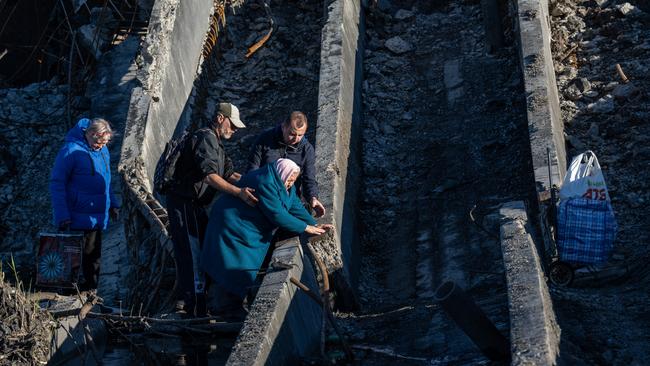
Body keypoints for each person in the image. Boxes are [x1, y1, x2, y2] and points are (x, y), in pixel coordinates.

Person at [201, 158, 331, 318]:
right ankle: (223, 307)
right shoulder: (265, 182)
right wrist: (306, 228)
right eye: (289, 180)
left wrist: (314, 224)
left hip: (247, 230)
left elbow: (294, 205)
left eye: (293, 181)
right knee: (230, 267)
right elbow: (278, 215)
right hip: (232, 228)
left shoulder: (282, 182)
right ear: (283, 173)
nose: (290, 183)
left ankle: (233, 305)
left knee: (244, 268)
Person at [165, 102, 258, 317]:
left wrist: (256, 185)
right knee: (192, 252)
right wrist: (238, 193)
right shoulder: (204, 138)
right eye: (232, 125)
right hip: (184, 203)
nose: (234, 130)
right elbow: (209, 176)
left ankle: (201, 302)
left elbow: (229, 174)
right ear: (219, 118)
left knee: (204, 249)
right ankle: (194, 307)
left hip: (196, 205)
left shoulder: (217, 144)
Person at [50, 117, 120, 290]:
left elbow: (106, 180)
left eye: (105, 143)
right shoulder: (70, 151)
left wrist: (113, 203)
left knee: (93, 258)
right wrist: (62, 214)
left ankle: (91, 293)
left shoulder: (103, 151)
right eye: (99, 142)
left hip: (95, 215)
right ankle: (65, 296)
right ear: (91, 134)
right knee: (71, 259)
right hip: (74, 216)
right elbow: (56, 183)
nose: (102, 146)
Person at [247, 111, 326, 218]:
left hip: (290, 199)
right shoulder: (265, 139)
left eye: (300, 135)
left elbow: (309, 179)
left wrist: (313, 198)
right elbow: (252, 169)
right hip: (264, 196)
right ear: (283, 126)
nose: (296, 139)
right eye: (292, 134)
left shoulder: (307, 150)